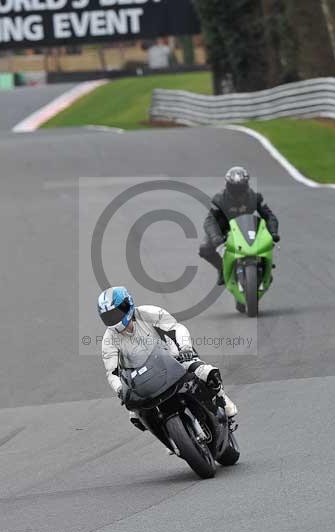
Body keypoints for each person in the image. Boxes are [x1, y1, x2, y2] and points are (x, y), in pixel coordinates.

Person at [97, 287, 237, 430]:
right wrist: (120, 389)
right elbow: (112, 372)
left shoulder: (148, 312)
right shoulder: (108, 339)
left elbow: (176, 328)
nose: (115, 319)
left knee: (206, 372)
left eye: (116, 313)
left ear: (128, 304)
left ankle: (222, 399)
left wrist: (185, 348)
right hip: (140, 378)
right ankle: (170, 437)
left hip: (172, 358)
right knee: (135, 416)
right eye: (109, 317)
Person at [199, 166, 279, 285]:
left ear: (246, 185)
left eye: (240, 187)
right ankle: (222, 269)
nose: (238, 191)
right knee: (204, 248)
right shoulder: (219, 200)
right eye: (234, 188)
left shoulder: (255, 197)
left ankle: (265, 269)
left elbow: (269, 216)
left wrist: (273, 232)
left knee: (268, 242)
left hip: (248, 228)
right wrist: (216, 237)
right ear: (227, 185)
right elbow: (210, 221)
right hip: (225, 229)